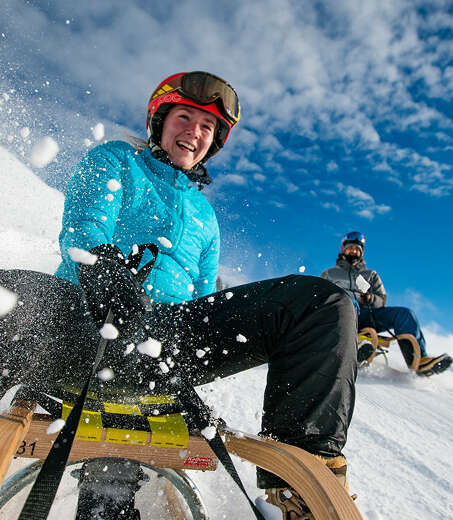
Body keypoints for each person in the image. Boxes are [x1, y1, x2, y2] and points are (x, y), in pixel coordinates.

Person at [0, 71, 358, 518]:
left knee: (321, 303)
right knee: (8, 293)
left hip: (164, 350)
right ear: (159, 121)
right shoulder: (115, 160)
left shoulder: (206, 216)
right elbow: (84, 226)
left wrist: (185, 373)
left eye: (207, 127)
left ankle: (302, 488)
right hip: (85, 327)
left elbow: (204, 300)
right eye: (185, 117)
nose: (194, 131)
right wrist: (105, 271)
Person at [321, 231, 453, 376]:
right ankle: (356, 350)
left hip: (368, 315)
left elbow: (382, 300)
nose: (353, 251)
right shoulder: (329, 274)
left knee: (404, 314)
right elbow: (320, 295)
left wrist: (370, 298)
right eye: (350, 248)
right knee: (349, 302)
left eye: (357, 249)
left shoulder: (371, 275)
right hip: (341, 314)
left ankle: (419, 361)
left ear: (361, 252)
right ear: (343, 249)